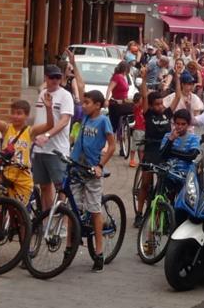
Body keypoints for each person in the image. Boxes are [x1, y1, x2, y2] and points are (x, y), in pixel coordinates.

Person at [0, 91, 54, 266]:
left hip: (22, 178)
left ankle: (25, 251)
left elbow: (50, 125)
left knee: (22, 217)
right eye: (13, 113)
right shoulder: (6, 129)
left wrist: (49, 108)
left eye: (20, 113)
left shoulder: (30, 131)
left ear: (26, 116)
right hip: (5, 175)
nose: (16, 116)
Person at [67, 64, 116, 272]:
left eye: (87, 103)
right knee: (72, 208)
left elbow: (112, 145)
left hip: (92, 172)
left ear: (97, 105)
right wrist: (73, 64)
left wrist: (100, 165)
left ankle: (98, 251)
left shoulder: (103, 121)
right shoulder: (85, 117)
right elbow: (80, 85)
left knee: (94, 210)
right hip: (77, 168)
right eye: (84, 101)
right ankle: (69, 246)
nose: (84, 105)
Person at [134, 67, 181, 228]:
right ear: (152, 106)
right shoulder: (148, 114)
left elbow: (178, 96)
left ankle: (162, 212)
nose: (160, 106)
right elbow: (145, 96)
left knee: (164, 185)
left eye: (161, 103)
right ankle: (139, 213)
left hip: (165, 151)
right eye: (157, 104)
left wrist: (177, 78)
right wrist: (144, 78)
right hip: (150, 150)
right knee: (146, 184)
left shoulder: (167, 114)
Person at [32, 64, 75, 211]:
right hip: (39, 149)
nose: (56, 80)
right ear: (46, 78)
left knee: (60, 187)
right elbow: (38, 118)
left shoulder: (65, 95)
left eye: (58, 77)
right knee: (44, 186)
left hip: (57, 149)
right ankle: (47, 219)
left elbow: (64, 121)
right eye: (52, 77)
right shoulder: (42, 93)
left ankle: (62, 221)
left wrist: (47, 135)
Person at [160, 109, 201, 177]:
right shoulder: (167, 136)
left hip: (185, 176)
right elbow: (163, 155)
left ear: (188, 124)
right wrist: (170, 140)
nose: (180, 127)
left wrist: (170, 152)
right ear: (174, 123)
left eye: (183, 124)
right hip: (167, 175)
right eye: (177, 123)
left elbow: (191, 156)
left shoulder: (194, 138)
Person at [105, 61, 133, 150]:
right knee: (113, 125)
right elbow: (109, 88)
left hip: (124, 102)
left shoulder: (124, 77)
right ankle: (109, 145)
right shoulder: (117, 77)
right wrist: (106, 99)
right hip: (116, 103)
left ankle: (122, 140)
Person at [129, 92, 145, 168]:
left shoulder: (144, 107)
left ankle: (141, 162)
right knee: (134, 146)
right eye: (141, 99)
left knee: (142, 148)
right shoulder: (136, 107)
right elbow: (136, 105)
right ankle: (132, 160)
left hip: (144, 129)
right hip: (137, 129)